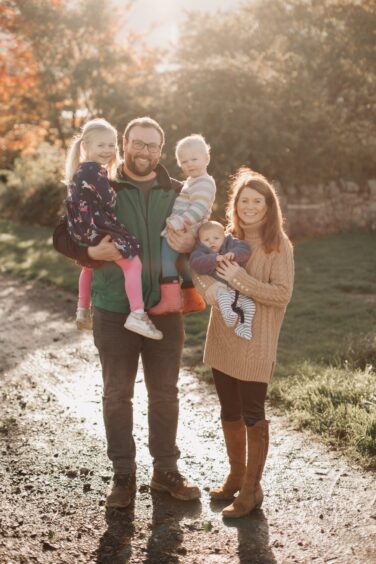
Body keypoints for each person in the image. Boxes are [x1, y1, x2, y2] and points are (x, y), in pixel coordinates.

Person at [53, 117, 200, 508]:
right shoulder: (103, 185)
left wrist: (192, 242)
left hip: (164, 310)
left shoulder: (178, 192)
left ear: (161, 150)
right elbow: (62, 233)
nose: (144, 151)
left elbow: (203, 239)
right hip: (114, 309)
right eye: (137, 143)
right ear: (125, 144)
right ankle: (123, 475)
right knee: (117, 394)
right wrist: (88, 253)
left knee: (165, 393)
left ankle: (165, 471)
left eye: (152, 145)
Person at [193, 168, 294, 518]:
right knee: (229, 411)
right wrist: (209, 291)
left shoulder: (277, 245)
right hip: (222, 338)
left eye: (257, 201)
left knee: (253, 414)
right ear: (235, 205)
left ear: (268, 207)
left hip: (256, 342)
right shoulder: (225, 236)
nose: (250, 207)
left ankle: (252, 490)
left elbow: (282, 295)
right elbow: (196, 265)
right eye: (244, 200)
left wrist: (240, 278)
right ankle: (236, 475)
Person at [64, 118, 162, 340]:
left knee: (88, 267)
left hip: (82, 227)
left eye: (111, 145)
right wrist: (113, 195)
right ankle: (137, 314)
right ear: (86, 146)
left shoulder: (80, 171)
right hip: (97, 227)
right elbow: (107, 200)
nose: (107, 150)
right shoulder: (95, 171)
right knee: (132, 263)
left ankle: (82, 308)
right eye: (101, 145)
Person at [148, 134, 214, 315]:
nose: (190, 164)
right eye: (184, 162)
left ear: (206, 158)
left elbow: (199, 208)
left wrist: (179, 221)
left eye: (194, 159)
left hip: (185, 228)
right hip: (185, 228)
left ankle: (171, 300)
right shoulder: (194, 181)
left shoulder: (204, 183)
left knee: (166, 260)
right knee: (181, 263)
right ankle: (192, 298)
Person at [189, 220, 256, 340]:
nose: (211, 242)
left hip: (238, 289)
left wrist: (234, 254)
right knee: (222, 295)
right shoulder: (200, 251)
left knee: (249, 305)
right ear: (200, 241)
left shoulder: (231, 244)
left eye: (216, 238)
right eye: (206, 240)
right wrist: (214, 258)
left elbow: (245, 249)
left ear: (224, 237)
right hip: (221, 288)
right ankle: (228, 315)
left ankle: (244, 326)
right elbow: (195, 263)